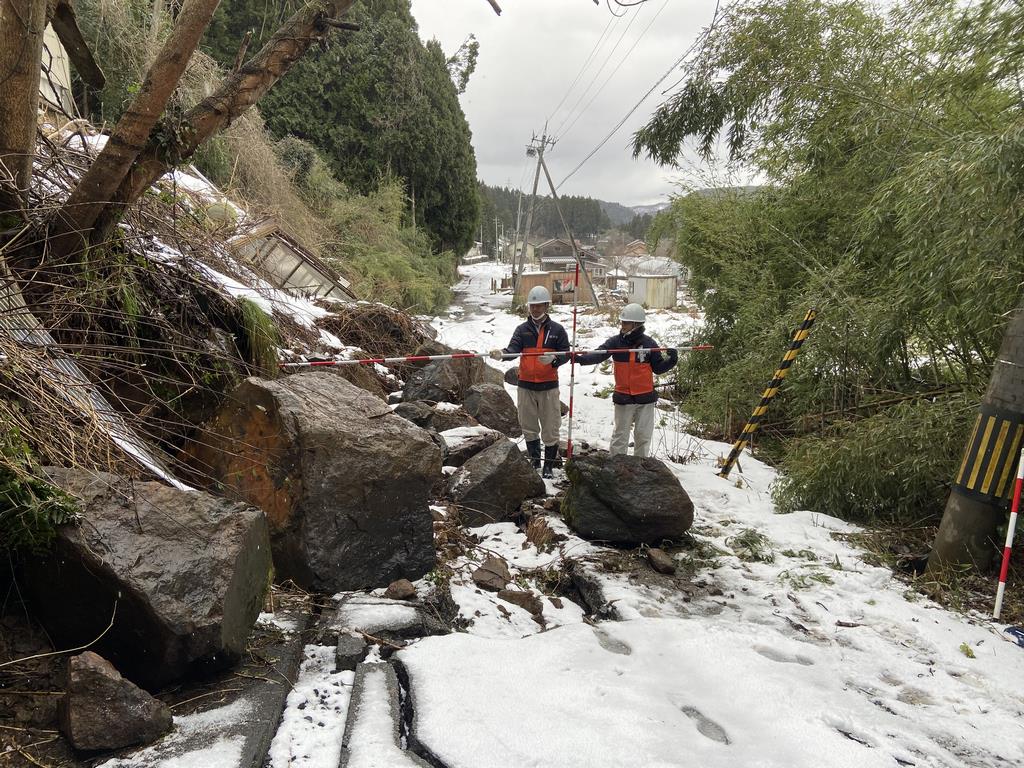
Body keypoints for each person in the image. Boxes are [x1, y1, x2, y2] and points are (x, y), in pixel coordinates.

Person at [575, 303, 677, 458]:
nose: (622, 325)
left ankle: (640, 468)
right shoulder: (615, 342)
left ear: (636, 325)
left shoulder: (649, 344)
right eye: (622, 322)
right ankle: (616, 468)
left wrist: (671, 360)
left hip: (645, 398)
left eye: (625, 322)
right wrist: (581, 359)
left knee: (643, 436)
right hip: (623, 397)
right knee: (620, 436)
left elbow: (658, 368)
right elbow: (600, 354)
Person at [490, 285, 570, 478]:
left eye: (539, 306)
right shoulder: (522, 330)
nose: (535, 309)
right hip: (525, 385)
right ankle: (535, 462)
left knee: (550, 427)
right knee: (529, 426)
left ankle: (549, 466)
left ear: (546, 306)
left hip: (548, 387)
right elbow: (513, 350)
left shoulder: (557, 330)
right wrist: (502, 354)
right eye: (532, 306)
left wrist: (554, 360)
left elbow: (566, 354)